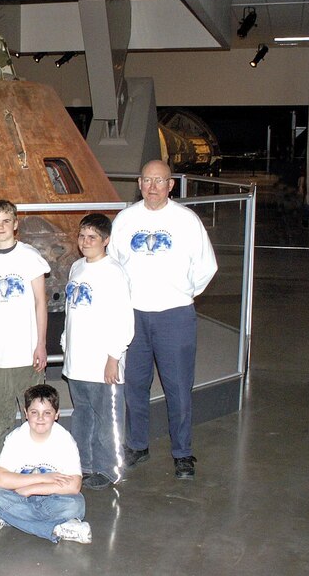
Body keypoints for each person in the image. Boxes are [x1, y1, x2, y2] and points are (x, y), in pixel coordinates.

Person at [108, 159, 217, 480]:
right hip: (134, 317)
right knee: (135, 386)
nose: (153, 187)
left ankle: (182, 452)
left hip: (175, 317)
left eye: (160, 181)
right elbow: (112, 266)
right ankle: (137, 444)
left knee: (179, 387)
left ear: (171, 185)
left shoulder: (187, 221)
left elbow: (206, 266)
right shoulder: (125, 220)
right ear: (139, 184)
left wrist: (180, 294)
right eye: (147, 180)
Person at [62, 214, 134, 490]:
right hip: (78, 362)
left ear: (106, 240)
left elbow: (124, 319)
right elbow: (72, 313)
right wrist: (66, 346)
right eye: (82, 236)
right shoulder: (77, 267)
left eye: (92, 237)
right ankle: (85, 464)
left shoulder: (113, 272)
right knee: (83, 415)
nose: (85, 242)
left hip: (102, 363)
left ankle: (108, 468)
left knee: (107, 420)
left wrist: (113, 357)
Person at [0, 199, 50, 463]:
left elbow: (40, 302)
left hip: (26, 352)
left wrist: (41, 344)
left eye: (6, 221)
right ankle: (2, 469)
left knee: (34, 412)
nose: (0, 227)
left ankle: (36, 464)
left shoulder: (30, 256)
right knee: (1, 418)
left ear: (15, 224)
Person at [0, 384, 90, 544]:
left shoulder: (64, 440)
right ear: (26, 414)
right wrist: (45, 477)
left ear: (57, 414)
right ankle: (57, 528)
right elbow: (0, 480)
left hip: (49, 498)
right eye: (34, 412)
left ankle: (9, 516)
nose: (40, 418)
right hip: (20, 497)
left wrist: (30, 489)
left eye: (47, 413)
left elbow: (74, 485)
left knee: (76, 504)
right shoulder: (16, 438)